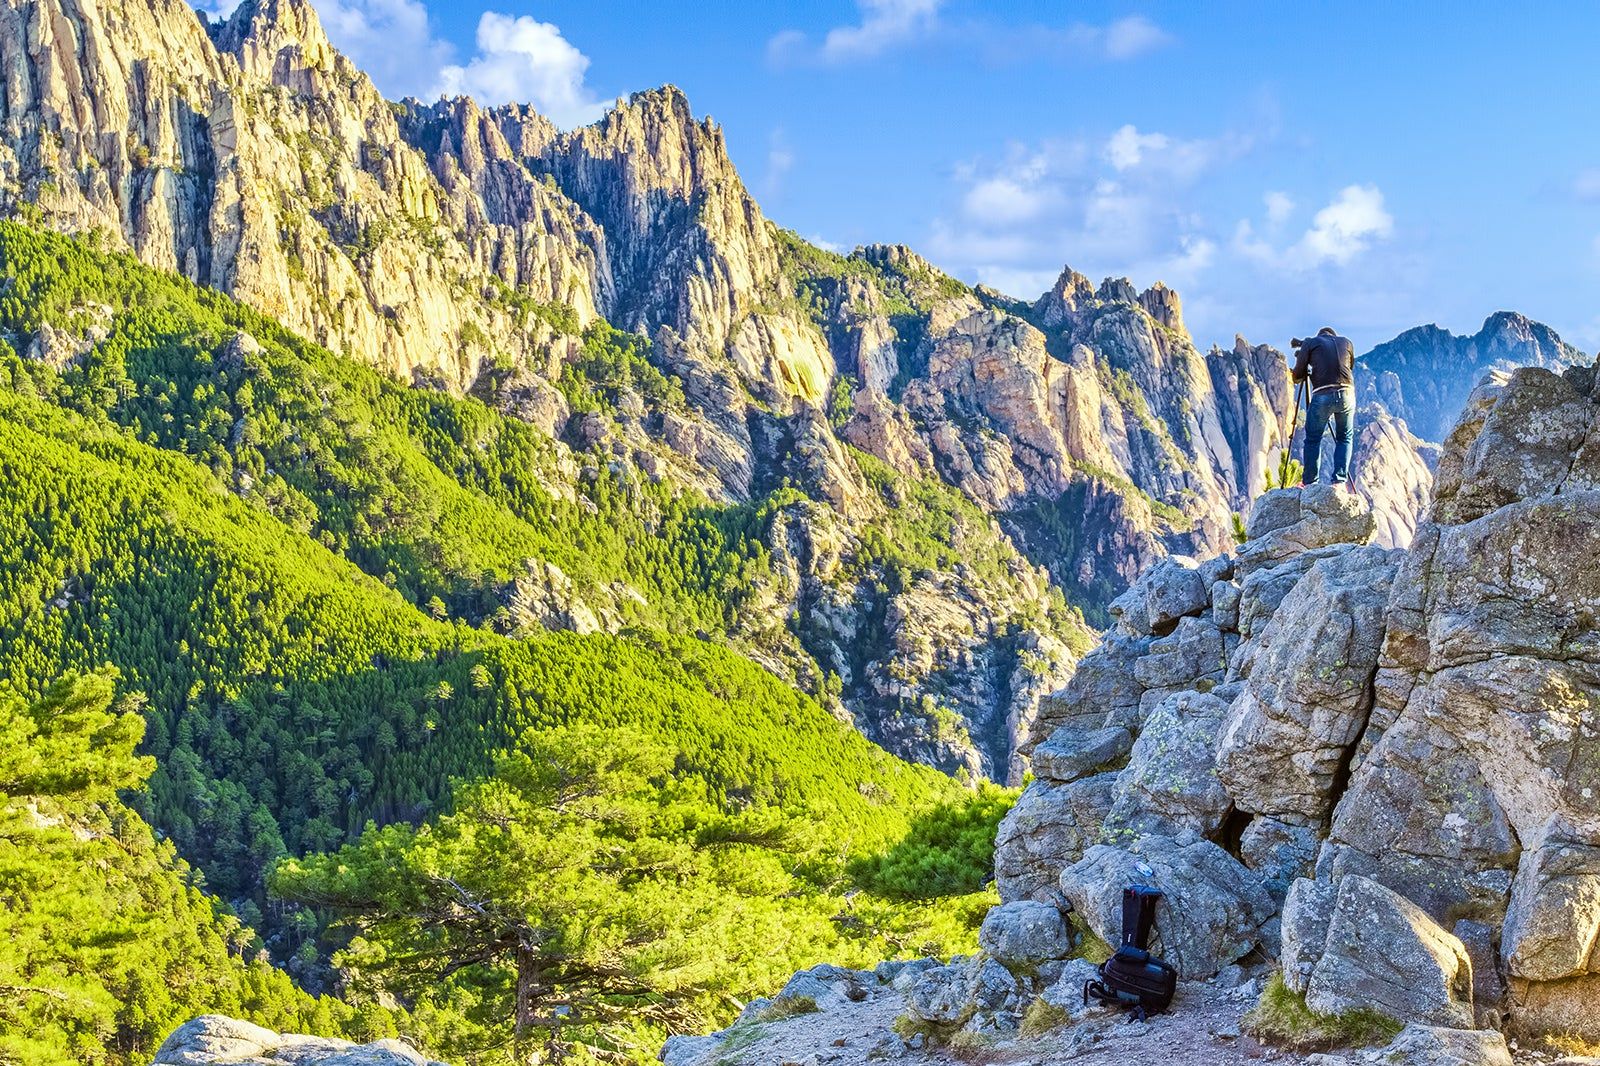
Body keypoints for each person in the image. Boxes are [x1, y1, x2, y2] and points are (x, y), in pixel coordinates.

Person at [1290, 326, 1356, 487]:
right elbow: (1349, 367)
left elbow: (1298, 375)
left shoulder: (1310, 343)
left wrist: (1306, 364)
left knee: (1313, 438)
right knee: (1345, 437)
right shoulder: (1347, 342)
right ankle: (1339, 481)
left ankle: (1310, 482)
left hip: (1323, 394)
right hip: (1347, 393)